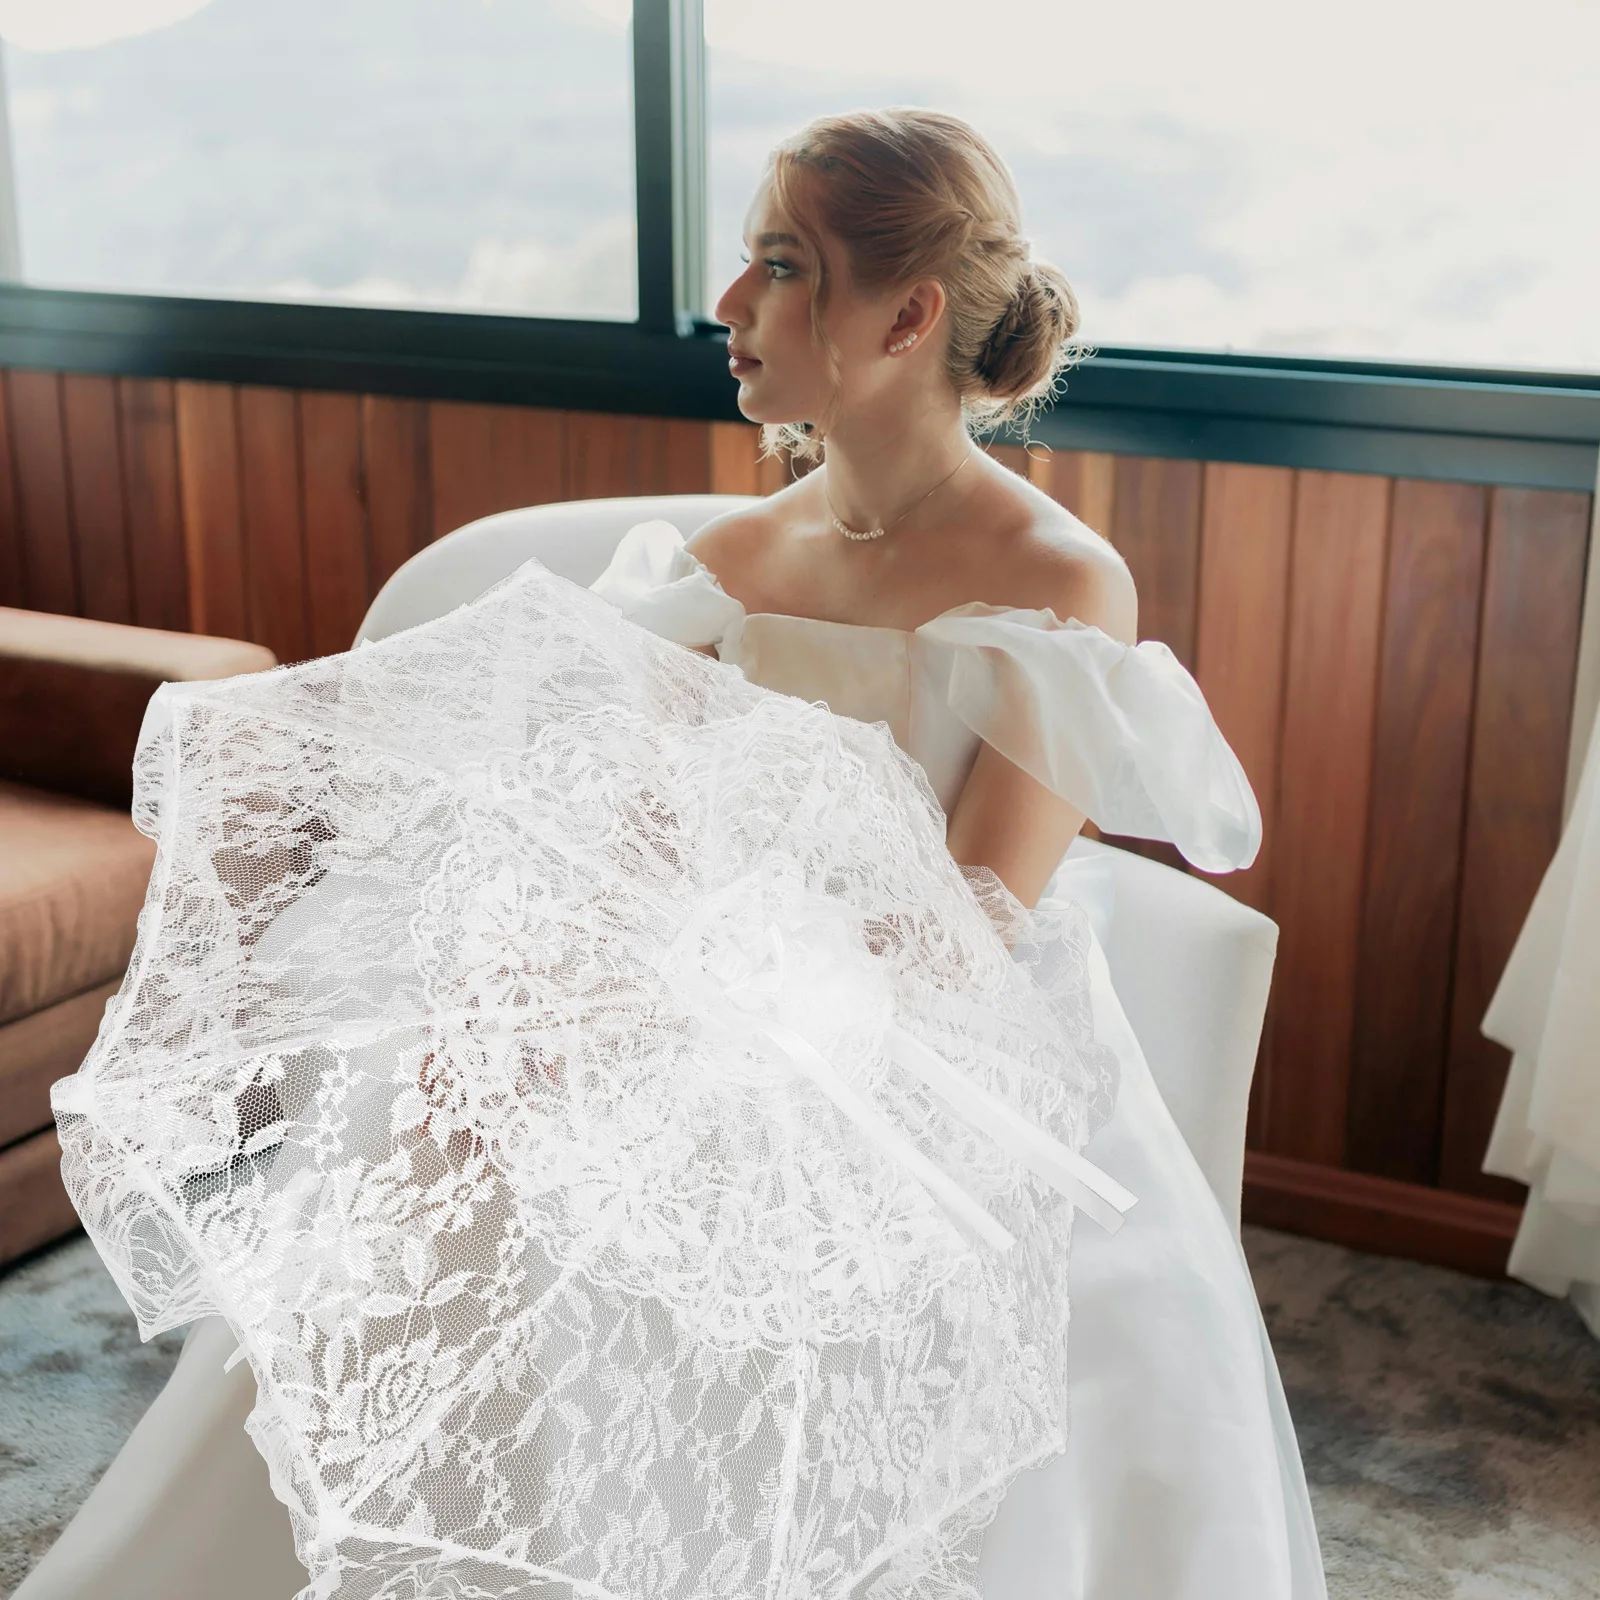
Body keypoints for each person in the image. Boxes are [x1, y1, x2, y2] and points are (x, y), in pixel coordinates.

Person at [19, 108, 1327, 1599]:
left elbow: (969, 922)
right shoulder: (728, 566)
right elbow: (629, 833)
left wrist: (744, 1021)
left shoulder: (1058, 580)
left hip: (941, 1033)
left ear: (907, 317)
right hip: (718, 987)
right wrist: (580, 984)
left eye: (784, 266)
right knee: (455, 1122)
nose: (729, 304)